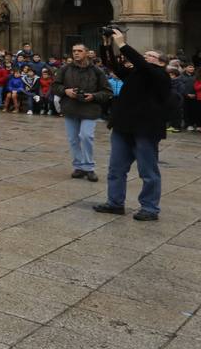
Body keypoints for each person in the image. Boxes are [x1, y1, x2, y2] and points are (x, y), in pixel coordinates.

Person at [94, 29, 171, 221]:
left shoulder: (161, 76)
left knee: (148, 171)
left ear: (161, 62)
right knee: (116, 168)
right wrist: (106, 45)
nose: (146, 57)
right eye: (145, 55)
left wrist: (122, 44)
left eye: (151, 56)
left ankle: (150, 208)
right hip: (123, 126)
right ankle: (115, 203)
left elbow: (143, 65)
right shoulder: (135, 74)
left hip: (146, 128)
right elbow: (111, 65)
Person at [50, 44, 111, 182]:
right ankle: (78, 166)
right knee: (73, 139)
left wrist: (94, 96)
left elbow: (107, 91)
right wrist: (65, 91)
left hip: (89, 109)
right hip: (71, 107)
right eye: (74, 51)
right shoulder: (65, 69)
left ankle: (89, 167)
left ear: (87, 53)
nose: (76, 53)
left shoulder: (97, 71)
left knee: (86, 136)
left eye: (79, 51)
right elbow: (54, 86)